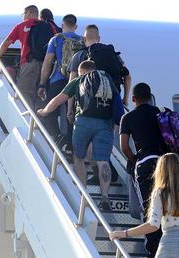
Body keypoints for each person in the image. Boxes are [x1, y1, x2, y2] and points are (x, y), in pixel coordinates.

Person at [120, 82, 179, 258]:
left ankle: (154, 255)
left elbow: (124, 147)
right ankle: (174, 253)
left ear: (134, 99)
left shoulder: (128, 117)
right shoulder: (162, 111)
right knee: (170, 208)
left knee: (150, 209)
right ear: (150, 96)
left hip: (145, 164)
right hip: (168, 165)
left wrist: (134, 159)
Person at [38, 60, 116, 211]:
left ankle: (83, 194)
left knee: (79, 157)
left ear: (82, 71)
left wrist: (44, 111)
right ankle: (105, 197)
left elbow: (58, 100)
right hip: (105, 124)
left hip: (83, 122)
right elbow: (117, 102)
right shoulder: (106, 80)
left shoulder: (78, 80)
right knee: (103, 161)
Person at [0, 5, 52, 109]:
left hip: (29, 63)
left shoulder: (22, 25)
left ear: (29, 12)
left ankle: (28, 122)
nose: (22, 17)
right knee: (40, 94)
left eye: (23, 14)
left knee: (24, 93)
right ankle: (38, 121)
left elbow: (6, 42)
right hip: (46, 65)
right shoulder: (47, 26)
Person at [37, 14, 82, 146]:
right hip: (75, 82)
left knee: (49, 110)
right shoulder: (82, 40)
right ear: (76, 26)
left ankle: (57, 136)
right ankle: (69, 142)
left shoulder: (56, 40)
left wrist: (42, 84)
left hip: (58, 79)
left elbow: (47, 63)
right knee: (72, 112)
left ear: (62, 25)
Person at [67, 24, 131, 107]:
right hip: (112, 103)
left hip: (87, 105)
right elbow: (128, 77)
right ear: (99, 38)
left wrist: (69, 109)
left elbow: (72, 82)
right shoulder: (112, 53)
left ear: (84, 39)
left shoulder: (79, 55)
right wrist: (125, 99)